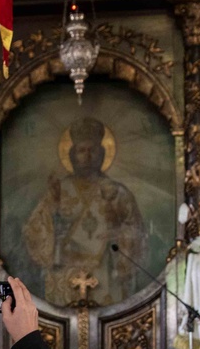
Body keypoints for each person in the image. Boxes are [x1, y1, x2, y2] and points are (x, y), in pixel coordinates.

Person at [23, 116, 145, 305]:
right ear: (72, 155)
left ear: (102, 154)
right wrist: (53, 219)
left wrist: (117, 230)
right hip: (64, 272)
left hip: (105, 272)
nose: (87, 156)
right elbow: (35, 230)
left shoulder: (118, 193)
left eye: (93, 150)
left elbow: (135, 232)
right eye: (81, 150)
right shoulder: (58, 191)